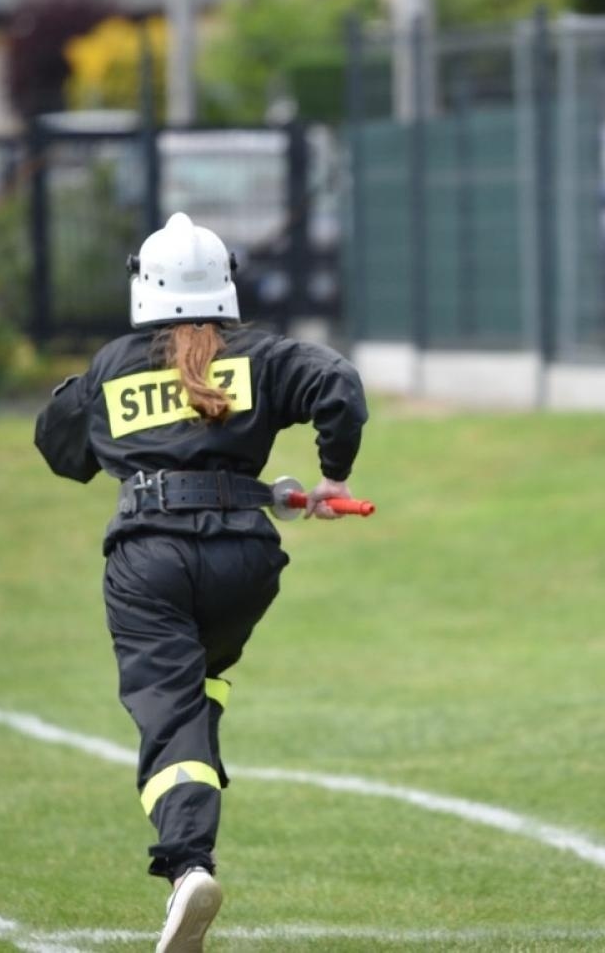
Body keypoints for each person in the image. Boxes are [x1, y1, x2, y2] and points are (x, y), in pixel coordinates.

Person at [35, 213, 368, 953]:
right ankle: (197, 787)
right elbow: (338, 383)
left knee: (167, 708)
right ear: (226, 282)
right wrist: (328, 477)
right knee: (201, 685)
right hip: (245, 561)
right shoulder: (265, 355)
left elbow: (59, 448)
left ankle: (188, 864)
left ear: (144, 285)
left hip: (149, 561)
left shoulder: (114, 365)